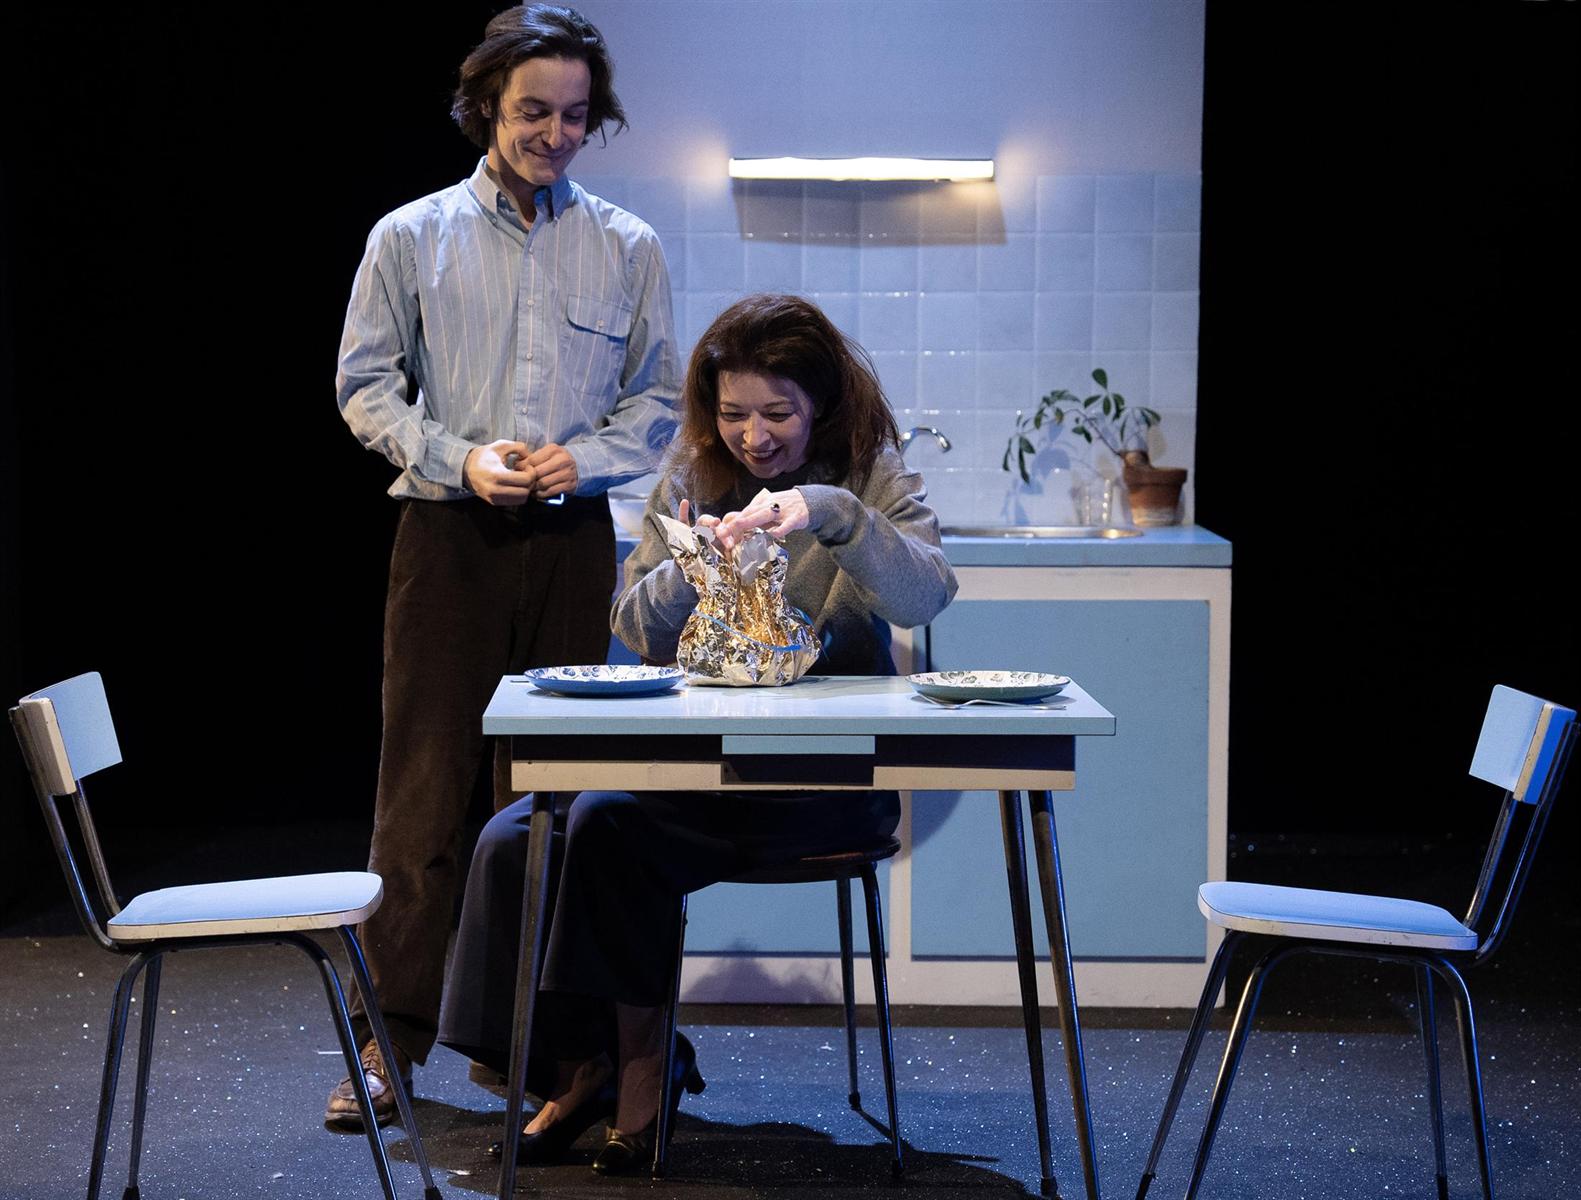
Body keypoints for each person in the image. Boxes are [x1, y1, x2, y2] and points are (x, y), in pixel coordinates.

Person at [439, 293, 958, 1172]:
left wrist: (833, 512)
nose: (753, 438)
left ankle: (641, 1076)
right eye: (733, 414)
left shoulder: (867, 473)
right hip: (692, 767)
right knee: (510, 838)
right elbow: (635, 627)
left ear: (821, 404)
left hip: (818, 784)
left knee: (605, 822)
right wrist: (694, 564)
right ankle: (575, 1066)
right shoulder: (695, 471)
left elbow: (925, 595)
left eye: (777, 414)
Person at [328, 4, 679, 1131]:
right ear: (485, 105)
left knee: (548, 802)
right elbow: (364, 387)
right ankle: (388, 1043)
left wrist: (589, 458)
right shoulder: (411, 235)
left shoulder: (628, 245)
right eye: (534, 111)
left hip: (572, 545)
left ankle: (540, 1052)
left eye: (575, 117)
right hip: (447, 542)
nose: (554, 135)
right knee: (422, 799)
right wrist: (460, 457)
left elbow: (659, 400)